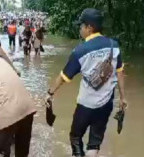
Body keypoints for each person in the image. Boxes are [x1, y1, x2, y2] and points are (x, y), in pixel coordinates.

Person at [46, 8, 127, 157]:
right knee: (94, 143)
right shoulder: (113, 46)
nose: (80, 29)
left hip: (86, 105)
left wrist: (50, 93)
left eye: (81, 26)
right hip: (106, 104)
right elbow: (120, 72)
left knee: (75, 137)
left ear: (89, 28)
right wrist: (122, 98)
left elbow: (63, 77)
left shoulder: (80, 51)